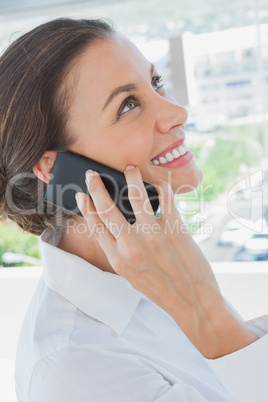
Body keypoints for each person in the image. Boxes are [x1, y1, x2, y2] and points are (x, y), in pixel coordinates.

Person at [0, 18, 267, 402]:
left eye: (156, 83)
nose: (177, 112)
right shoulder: (74, 369)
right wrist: (202, 307)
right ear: (54, 169)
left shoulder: (153, 262)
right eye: (128, 105)